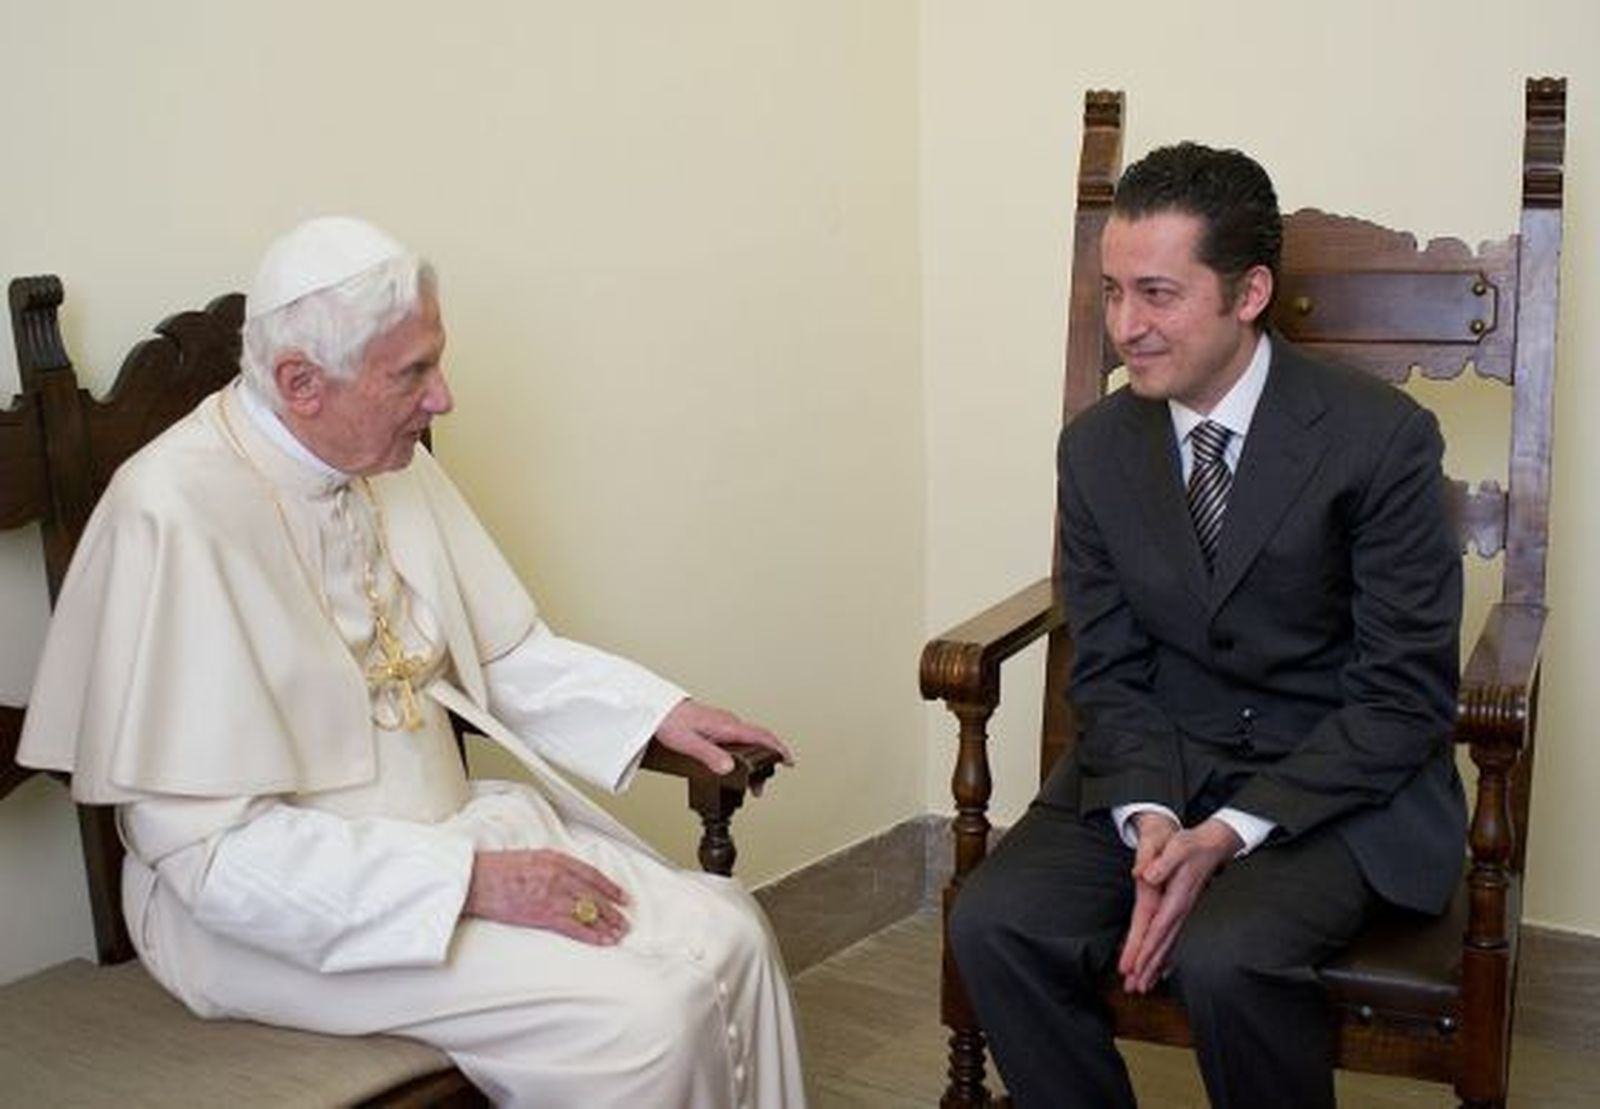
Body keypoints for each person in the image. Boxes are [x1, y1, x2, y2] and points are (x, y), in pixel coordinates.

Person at [19, 216, 808, 1108]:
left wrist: (651, 710)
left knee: (732, 929)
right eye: (414, 373)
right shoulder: (170, 513)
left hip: (452, 834)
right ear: (300, 382)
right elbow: (209, 861)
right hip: (264, 915)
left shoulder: (374, 453)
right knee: (644, 1015)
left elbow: (493, 652)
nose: (445, 400)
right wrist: (470, 884)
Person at [949, 143, 1464, 1109]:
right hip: (1159, 760)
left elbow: (1402, 696)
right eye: (1111, 293)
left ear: (1249, 291)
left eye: (1157, 294)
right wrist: (1151, 817)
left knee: (1230, 956)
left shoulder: (1380, 438)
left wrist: (1225, 833)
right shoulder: (1096, 447)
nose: (1125, 328)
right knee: (994, 922)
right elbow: (1104, 667)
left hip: (1332, 788)